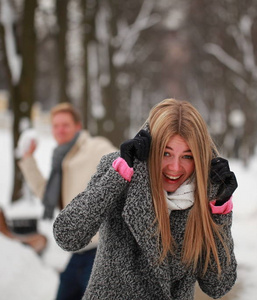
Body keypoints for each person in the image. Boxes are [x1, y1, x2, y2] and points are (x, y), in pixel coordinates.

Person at [53, 98, 238, 300]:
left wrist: (220, 210)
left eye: (187, 156)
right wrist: (117, 177)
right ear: (152, 148)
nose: (175, 167)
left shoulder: (204, 194)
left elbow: (218, 286)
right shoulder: (121, 171)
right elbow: (67, 235)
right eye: (166, 153)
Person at [18, 102, 116, 300]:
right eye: (56, 125)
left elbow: (121, 165)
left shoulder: (95, 147)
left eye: (65, 125)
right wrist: (28, 159)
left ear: (78, 127)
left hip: (102, 251)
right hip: (78, 252)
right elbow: (47, 195)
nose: (60, 130)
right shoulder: (61, 159)